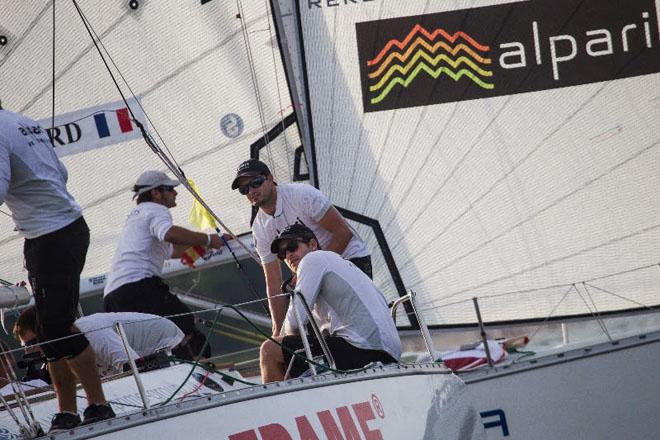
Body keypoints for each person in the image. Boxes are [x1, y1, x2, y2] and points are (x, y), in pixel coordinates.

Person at [0, 108, 114, 431]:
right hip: (57, 231)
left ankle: (98, 405)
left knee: (58, 326)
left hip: (52, 235)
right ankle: (67, 411)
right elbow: (60, 172)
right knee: (49, 328)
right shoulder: (22, 122)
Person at [231, 159, 371, 336]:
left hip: (350, 258)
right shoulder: (259, 228)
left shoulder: (302, 195)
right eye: (244, 189)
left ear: (270, 179)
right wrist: (277, 332)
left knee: (352, 328)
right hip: (310, 275)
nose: (251, 191)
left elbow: (343, 233)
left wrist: (310, 271)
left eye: (255, 183)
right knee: (306, 334)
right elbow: (273, 283)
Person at [103, 170, 224, 359]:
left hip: (113, 297)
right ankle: (198, 378)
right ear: (156, 193)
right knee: (185, 326)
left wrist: (204, 247)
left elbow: (172, 251)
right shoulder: (155, 209)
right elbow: (170, 234)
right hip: (138, 288)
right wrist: (209, 239)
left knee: (149, 346)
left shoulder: (136, 217)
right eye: (170, 189)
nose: (176, 193)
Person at [259, 224, 401, 383]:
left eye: (292, 247)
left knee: (270, 350)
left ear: (313, 245)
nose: (289, 255)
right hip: (388, 352)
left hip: (362, 349)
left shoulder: (313, 259)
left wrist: (281, 340)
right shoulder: (341, 263)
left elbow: (294, 324)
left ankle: (283, 407)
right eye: (282, 254)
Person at [14, 306, 185, 376]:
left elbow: (133, 365)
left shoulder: (89, 332)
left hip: (170, 344)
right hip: (147, 354)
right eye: (25, 347)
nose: (29, 352)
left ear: (46, 332)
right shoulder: (66, 345)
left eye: (32, 343)